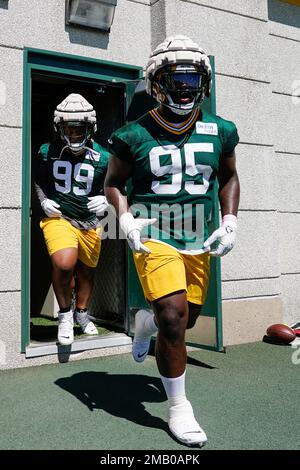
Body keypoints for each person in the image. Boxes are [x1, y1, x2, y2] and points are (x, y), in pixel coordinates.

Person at [105, 34, 240, 447]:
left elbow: (229, 176)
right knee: (174, 317)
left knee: (187, 318)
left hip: (199, 235)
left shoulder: (222, 129)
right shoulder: (133, 134)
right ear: (157, 82)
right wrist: (125, 219)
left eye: (192, 79)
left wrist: (231, 220)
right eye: (175, 79)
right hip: (156, 233)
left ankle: (143, 321)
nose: (185, 88)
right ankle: (179, 408)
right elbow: (113, 181)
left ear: (205, 81)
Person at [34, 93, 109, 346]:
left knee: (86, 272)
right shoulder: (47, 151)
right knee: (65, 264)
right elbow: (38, 179)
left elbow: (119, 184)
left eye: (80, 130)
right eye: (69, 130)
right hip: (60, 218)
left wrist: (108, 200)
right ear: (59, 128)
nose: (75, 136)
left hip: (90, 221)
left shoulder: (105, 157)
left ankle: (82, 313)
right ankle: (65, 316)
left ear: (91, 128)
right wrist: (43, 200)